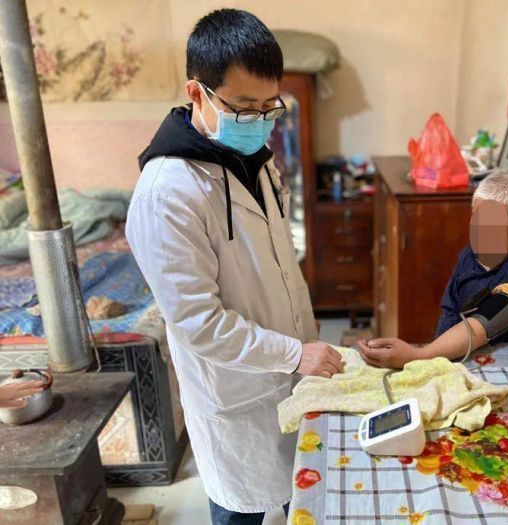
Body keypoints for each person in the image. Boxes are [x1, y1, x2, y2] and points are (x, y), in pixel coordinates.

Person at [125, 9, 343, 524]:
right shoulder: (167, 194)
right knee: (239, 511)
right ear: (197, 93)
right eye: (244, 107)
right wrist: (294, 353)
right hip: (236, 398)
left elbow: (279, 261)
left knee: (300, 499)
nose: (261, 120)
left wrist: (302, 335)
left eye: (270, 105)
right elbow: (198, 324)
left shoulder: (256, 160)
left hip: (290, 375)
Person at [358, 169, 508, 369]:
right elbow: (451, 315)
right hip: (473, 365)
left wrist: (419, 355)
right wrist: (431, 361)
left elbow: (496, 313)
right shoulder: (470, 255)